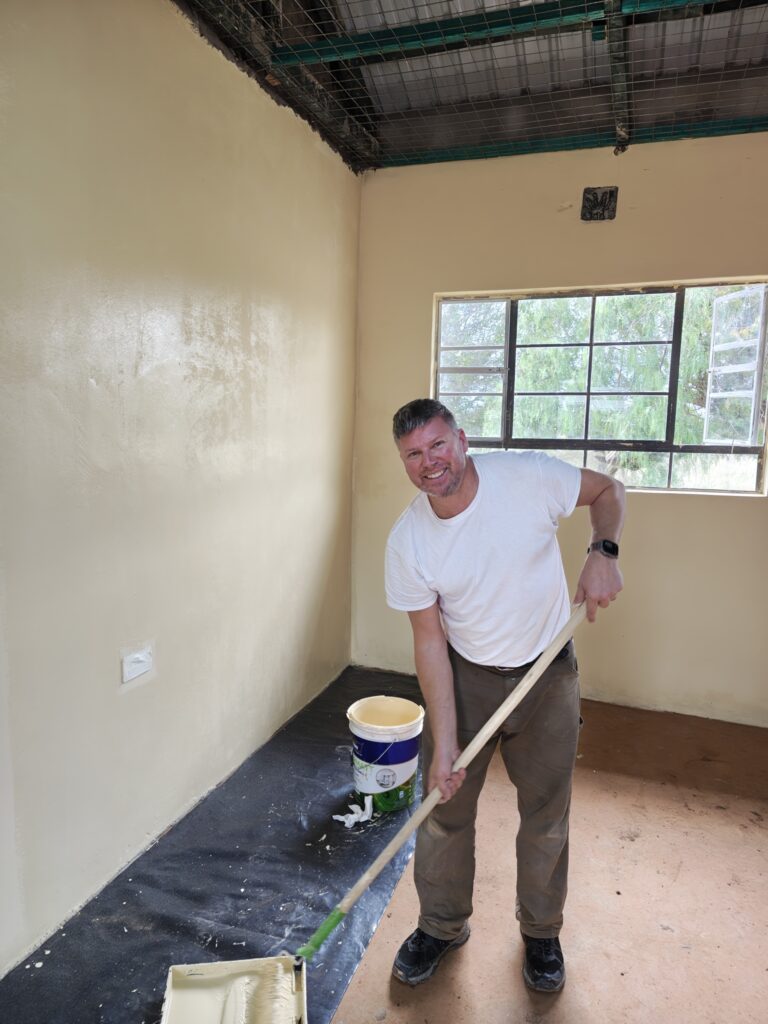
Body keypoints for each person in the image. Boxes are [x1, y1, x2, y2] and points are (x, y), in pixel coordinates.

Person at [384, 398, 625, 993]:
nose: (429, 462)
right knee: (443, 807)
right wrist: (442, 745)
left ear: (462, 441)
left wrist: (603, 551)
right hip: (468, 676)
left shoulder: (529, 478)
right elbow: (430, 645)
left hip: (548, 673)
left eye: (438, 445)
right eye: (413, 454)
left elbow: (609, 491)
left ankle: (541, 931)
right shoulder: (409, 541)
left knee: (546, 813)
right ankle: (441, 927)